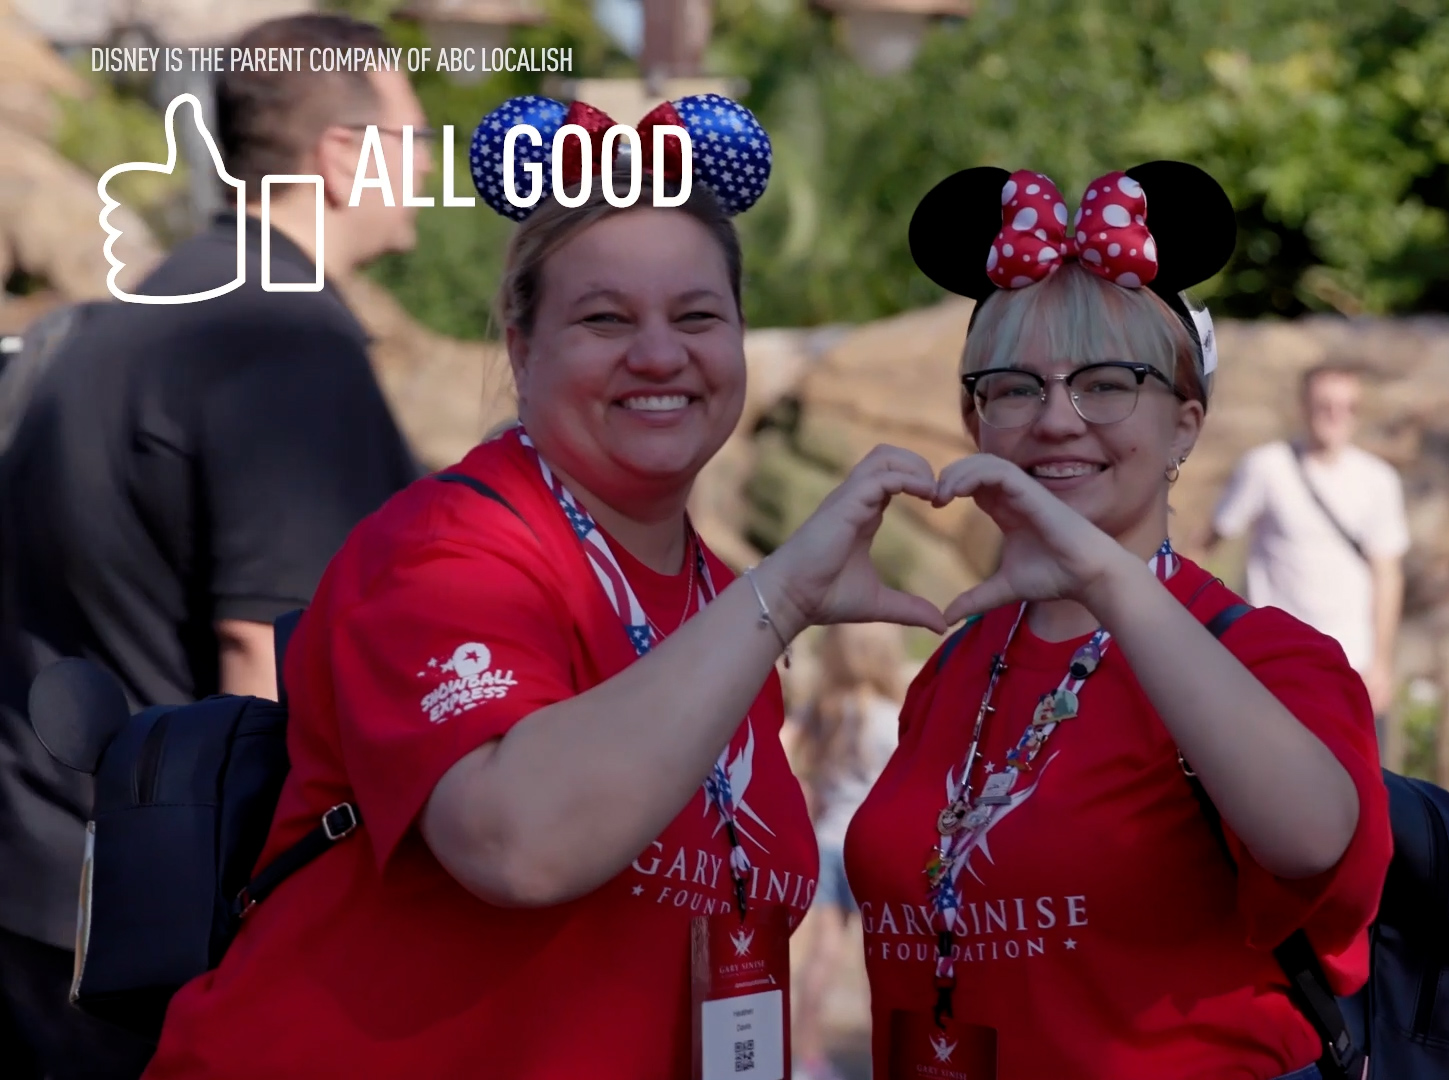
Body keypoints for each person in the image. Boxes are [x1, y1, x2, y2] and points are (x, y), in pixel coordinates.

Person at [139, 91, 952, 1076]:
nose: (660, 354)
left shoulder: (719, 598)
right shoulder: (449, 545)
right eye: (604, 318)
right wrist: (780, 596)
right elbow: (516, 841)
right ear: (521, 347)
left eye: (698, 315)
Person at [846, 164, 1392, 1078]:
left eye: (1107, 382)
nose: (1058, 419)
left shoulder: (1266, 655)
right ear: (976, 424)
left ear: (1186, 424)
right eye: (1014, 388)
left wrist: (1105, 574)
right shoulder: (955, 671)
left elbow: (1313, 841)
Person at [0, 15, 424, 1075]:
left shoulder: (132, 315)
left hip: (43, 903)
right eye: (417, 141)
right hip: (164, 951)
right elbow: (266, 668)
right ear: (342, 158)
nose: (429, 171)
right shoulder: (284, 345)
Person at [1203, 361, 1409, 715]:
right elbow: (1208, 542)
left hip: (1351, 662)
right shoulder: (1266, 467)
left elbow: (1387, 574)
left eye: (1347, 407)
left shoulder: (1378, 480)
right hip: (1274, 659)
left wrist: (1382, 662)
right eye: (1324, 405)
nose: (1335, 416)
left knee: (1358, 770)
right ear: (1304, 407)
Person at [789, 623, 907, 1080]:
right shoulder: (892, 716)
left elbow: (780, 744)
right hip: (874, 851)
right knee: (880, 964)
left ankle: (809, 1058)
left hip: (827, 843)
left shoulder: (823, 711)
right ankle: (886, 1058)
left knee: (822, 957)